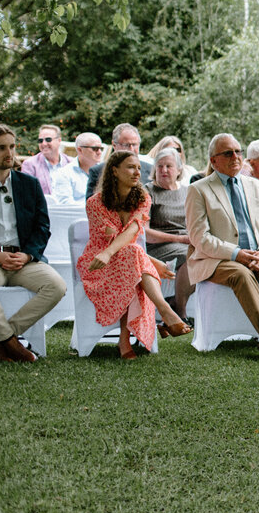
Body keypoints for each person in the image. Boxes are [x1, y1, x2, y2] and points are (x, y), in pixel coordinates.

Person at [186, 133, 259, 358]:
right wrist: (236, 253)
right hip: (217, 260)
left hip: (258, 255)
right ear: (213, 161)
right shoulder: (199, 189)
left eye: (238, 151)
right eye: (227, 153)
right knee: (241, 274)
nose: (235, 157)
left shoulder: (257, 186)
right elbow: (199, 237)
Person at [77, 150, 192, 359]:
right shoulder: (95, 203)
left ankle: (128, 336)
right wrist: (151, 262)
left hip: (127, 260)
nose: (137, 172)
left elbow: (131, 234)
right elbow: (113, 241)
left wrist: (147, 260)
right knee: (132, 259)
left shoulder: (142, 198)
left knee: (131, 260)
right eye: (131, 167)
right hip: (98, 264)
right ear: (114, 170)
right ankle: (165, 311)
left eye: (139, 168)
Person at [0, 125, 65, 362]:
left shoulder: (29, 184)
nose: (9, 153)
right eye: (1, 148)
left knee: (56, 286)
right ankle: (8, 341)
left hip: (24, 260)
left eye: (12, 147)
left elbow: (42, 228)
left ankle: (2, 339)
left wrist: (27, 255)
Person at [144, 148, 193, 319]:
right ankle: (181, 310)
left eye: (169, 166)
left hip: (187, 241)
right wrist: (179, 238)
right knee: (191, 254)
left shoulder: (188, 192)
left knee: (207, 254)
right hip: (157, 246)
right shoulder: (148, 192)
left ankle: (176, 302)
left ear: (179, 170)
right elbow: (145, 232)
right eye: (160, 166)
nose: (164, 170)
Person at [87, 123, 151, 193]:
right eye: (126, 145)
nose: (131, 149)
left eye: (134, 144)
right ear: (114, 145)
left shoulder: (150, 170)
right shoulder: (97, 171)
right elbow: (91, 202)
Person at [51, 132, 103, 203]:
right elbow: (66, 204)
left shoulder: (105, 171)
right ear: (80, 150)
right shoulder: (64, 174)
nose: (99, 152)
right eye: (95, 149)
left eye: (101, 148)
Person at [20, 124, 72, 195]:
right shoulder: (30, 164)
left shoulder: (71, 163)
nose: (44, 143)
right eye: (40, 140)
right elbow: (27, 192)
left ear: (59, 140)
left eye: (48, 139)